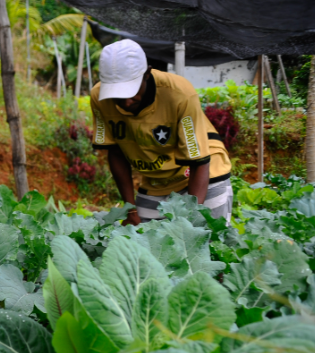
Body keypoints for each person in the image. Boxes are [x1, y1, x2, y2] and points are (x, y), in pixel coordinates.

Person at [90, 39, 233, 224]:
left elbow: (199, 161)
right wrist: (130, 209)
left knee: (206, 244)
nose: (126, 102)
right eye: (118, 93)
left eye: (131, 91)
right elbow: (115, 152)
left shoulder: (179, 94)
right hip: (157, 180)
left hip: (204, 172)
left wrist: (188, 223)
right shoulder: (99, 98)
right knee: (148, 246)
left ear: (147, 74)